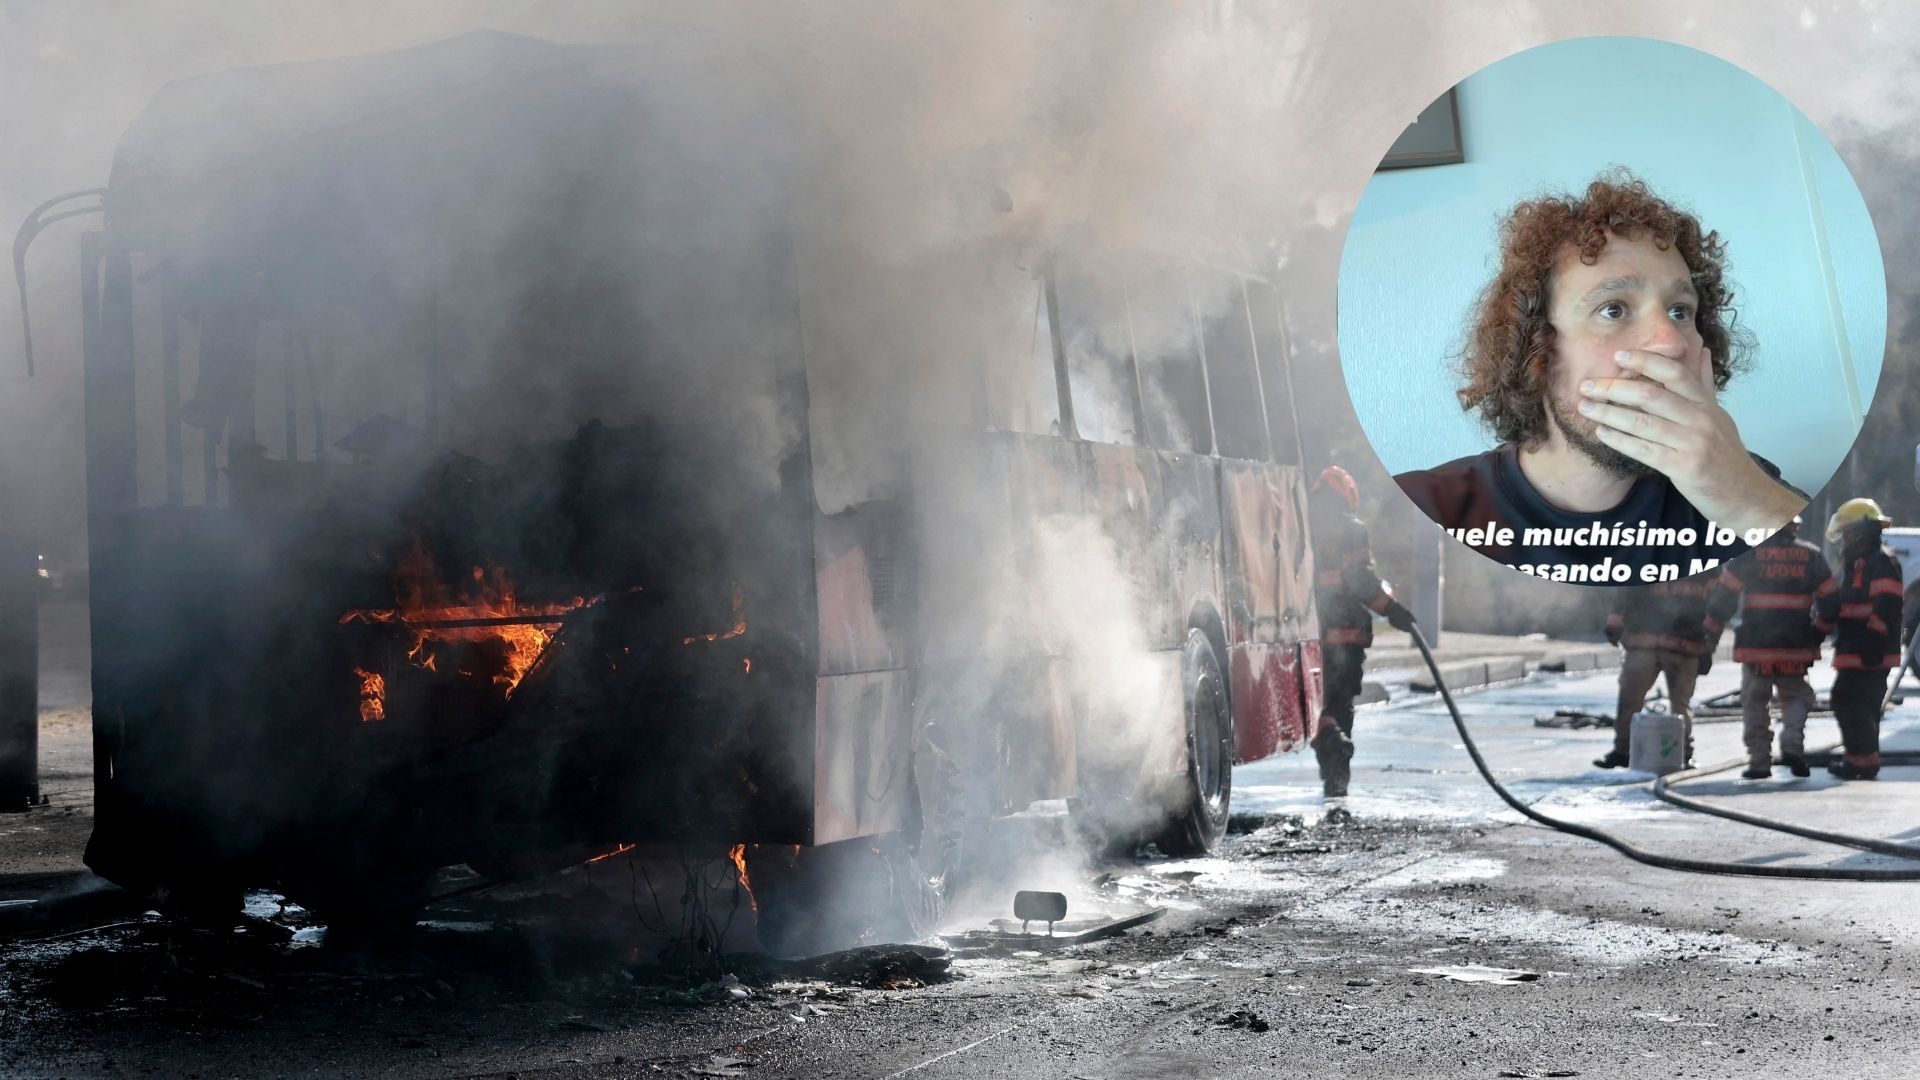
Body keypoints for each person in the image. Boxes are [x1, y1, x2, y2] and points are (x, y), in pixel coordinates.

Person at [1394, 172, 1805, 579]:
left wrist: (1747, 502)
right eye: (1613, 309)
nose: (1671, 343)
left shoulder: (1741, 484)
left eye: (1680, 311)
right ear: (1535, 349)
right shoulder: (1420, 511)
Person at [1307, 465, 1416, 798]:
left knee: (1317, 705)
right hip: (1345, 635)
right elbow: (1358, 580)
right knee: (1340, 706)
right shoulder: (1351, 529)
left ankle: (1331, 768)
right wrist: (1392, 610)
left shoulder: (1304, 528)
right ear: (1347, 495)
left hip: (1311, 635)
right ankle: (1337, 769)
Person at [1701, 517, 1833, 779]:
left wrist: (1709, 643)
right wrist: (1817, 633)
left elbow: (1722, 602)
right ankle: (1792, 744)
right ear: (1794, 528)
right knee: (1796, 695)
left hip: (1756, 646)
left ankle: (1760, 761)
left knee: (1755, 702)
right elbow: (1831, 602)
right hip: (1795, 646)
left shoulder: (1747, 557)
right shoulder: (1811, 556)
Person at [1812, 498, 1904, 780]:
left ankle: (1861, 764)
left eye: (1849, 532)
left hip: (1868, 649)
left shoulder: (1880, 560)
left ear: (1862, 531)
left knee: (1849, 702)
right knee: (1857, 704)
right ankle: (1860, 762)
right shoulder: (1860, 562)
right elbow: (1846, 603)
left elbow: (1886, 604)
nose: (1845, 539)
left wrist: (1872, 641)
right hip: (1856, 646)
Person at [1593, 576, 1713, 770]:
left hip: (1671, 640)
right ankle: (1625, 751)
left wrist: (1709, 640)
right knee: (1633, 698)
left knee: (1672, 703)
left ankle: (1681, 754)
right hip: (1662, 639)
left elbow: (1716, 594)